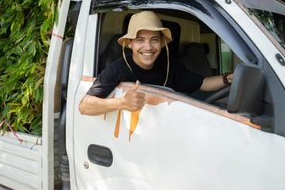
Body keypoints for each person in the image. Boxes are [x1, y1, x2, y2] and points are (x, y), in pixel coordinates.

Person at [79, 11, 233, 116]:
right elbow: (84, 106)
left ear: (161, 43)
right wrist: (121, 103)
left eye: (154, 40)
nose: (148, 47)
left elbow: (202, 83)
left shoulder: (170, 65)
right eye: (140, 40)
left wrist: (229, 78)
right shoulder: (118, 68)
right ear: (130, 44)